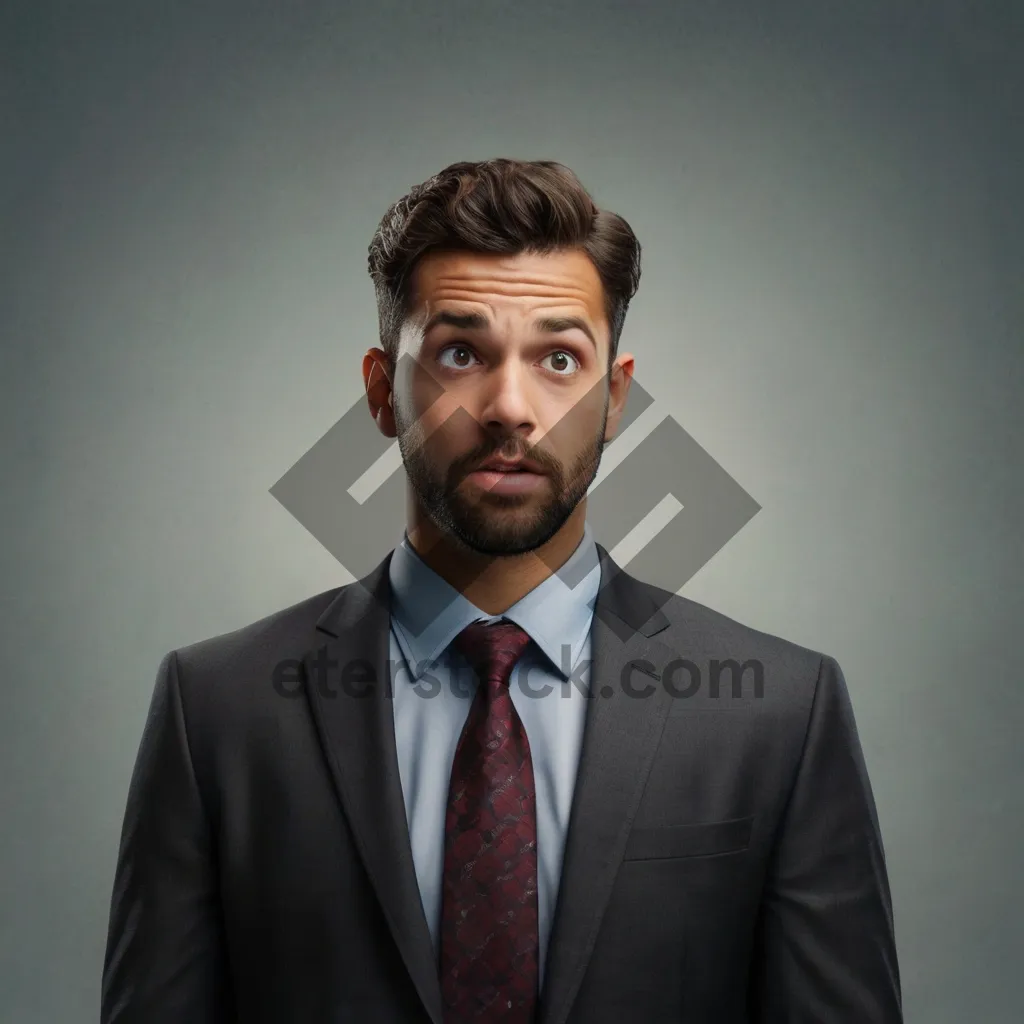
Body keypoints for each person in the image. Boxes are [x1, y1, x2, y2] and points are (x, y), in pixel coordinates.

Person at [101, 158, 903, 1023]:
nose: (511, 407)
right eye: (459, 353)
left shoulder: (782, 714)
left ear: (617, 397)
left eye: (560, 357)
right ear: (382, 391)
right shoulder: (214, 711)